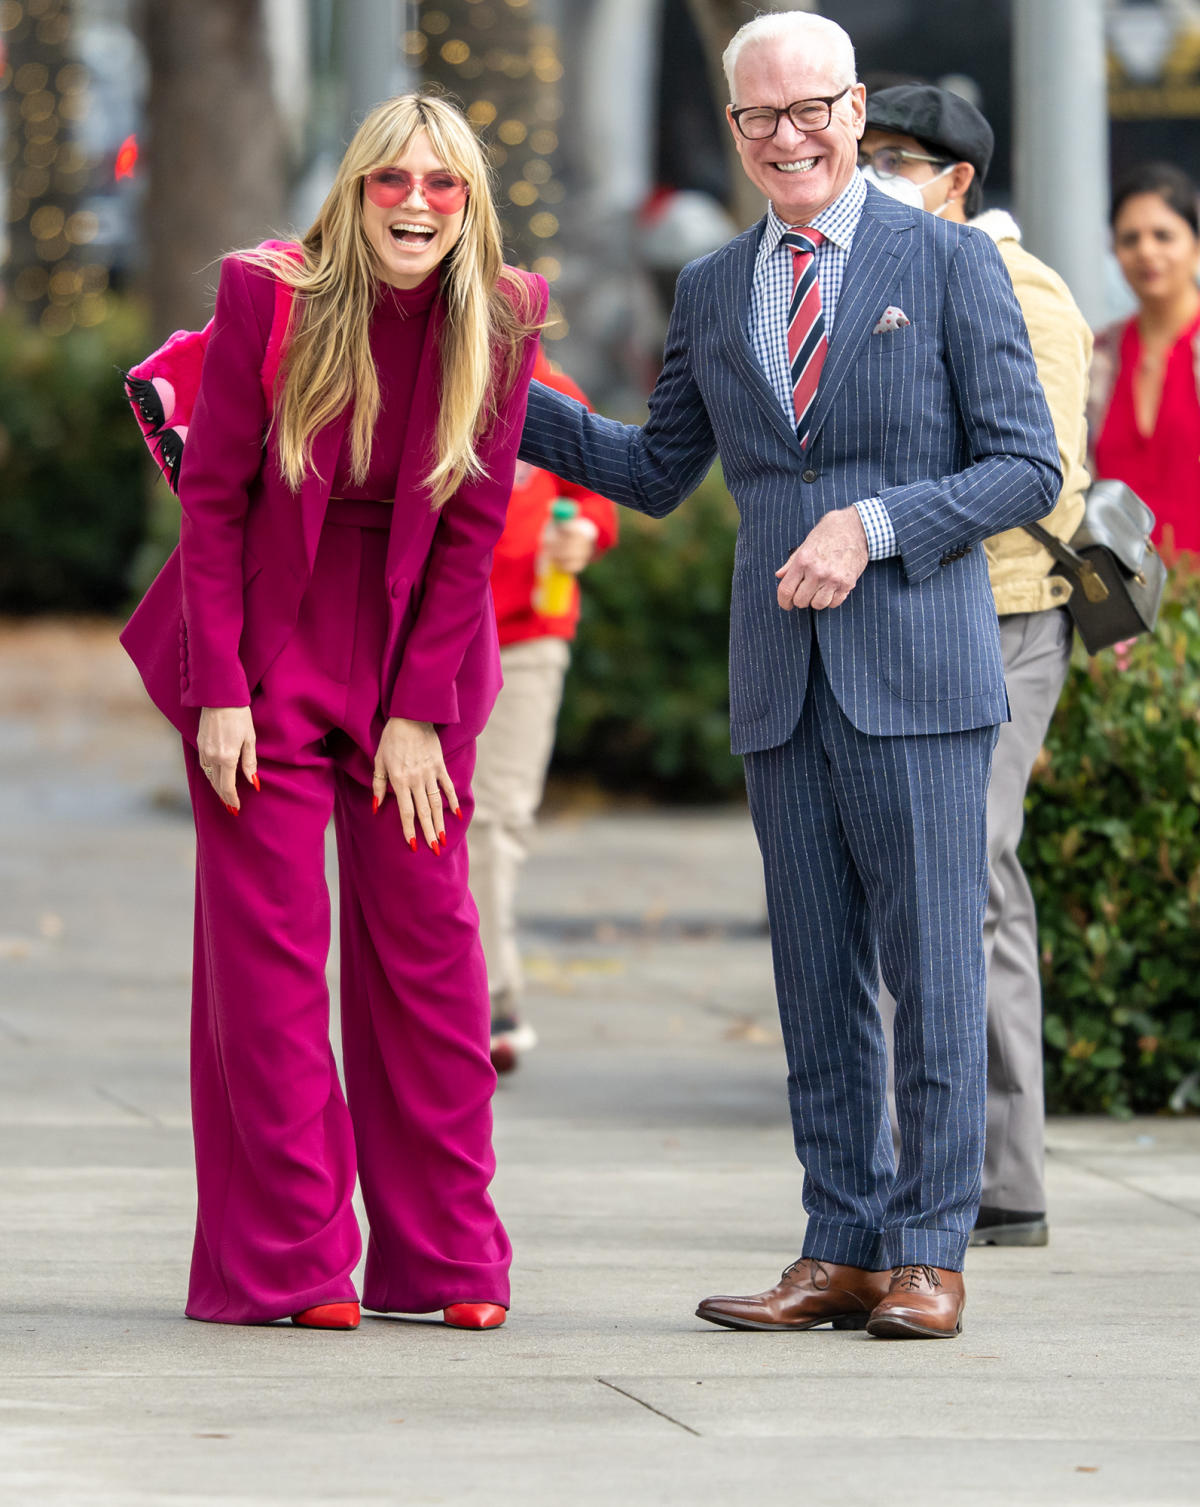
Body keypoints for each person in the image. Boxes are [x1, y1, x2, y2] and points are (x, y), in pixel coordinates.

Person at [518, 12, 1060, 1339]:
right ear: (735, 126)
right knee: (817, 981)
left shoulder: (944, 264)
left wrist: (873, 525)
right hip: (780, 685)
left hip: (922, 680)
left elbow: (1027, 466)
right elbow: (656, 472)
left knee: (934, 972)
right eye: (758, 118)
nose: (787, 137)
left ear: (854, 107)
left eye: (810, 109)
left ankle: (932, 1248)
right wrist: (497, 383)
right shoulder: (711, 287)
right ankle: (844, 1242)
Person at [120, 93, 548, 1331]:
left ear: (468, 204)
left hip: (417, 664)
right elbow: (212, 503)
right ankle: (292, 1263)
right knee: (268, 972)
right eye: (392, 182)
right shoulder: (274, 294)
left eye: (443, 185)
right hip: (262, 650)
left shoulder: (504, 314)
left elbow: (471, 529)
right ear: (354, 192)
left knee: (432, 961)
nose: (417, 204)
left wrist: (420, 710)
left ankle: (448, 1261)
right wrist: (220, 693)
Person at [860, 85, 1094, 1249]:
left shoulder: (1026, 288)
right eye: (864, 155)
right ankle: (944, 1162)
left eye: (893, 159)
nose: (869, 174)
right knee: (934, 885)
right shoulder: (882, 274)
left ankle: (1001, 1175)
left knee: (971, 879)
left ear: (957, 178)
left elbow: (1032, 474)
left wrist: (878, 520)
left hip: (1003, 617)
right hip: (908, 616)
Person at [474, 350, 618, 1072]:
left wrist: (585, 531)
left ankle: (492, 995)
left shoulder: (542, 380)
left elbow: (597, 487)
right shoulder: (406, 361)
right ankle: (436, 993)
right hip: (415, 639)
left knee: (495, 816)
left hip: (527, 634)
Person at [1090, 162, 1200, 557]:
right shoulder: (1095, 357)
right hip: (1118, 600)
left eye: (1163, 235)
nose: (1146, 251)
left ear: (1196, 245)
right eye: (1130, 239)